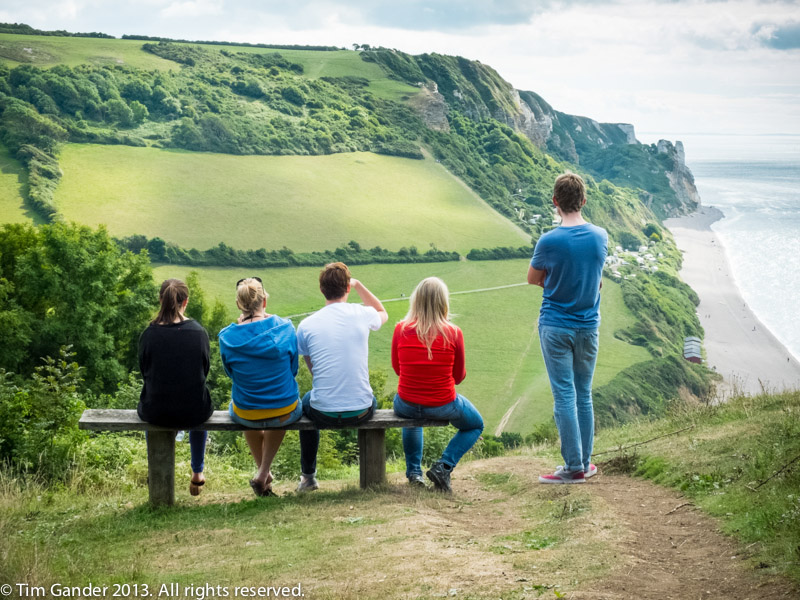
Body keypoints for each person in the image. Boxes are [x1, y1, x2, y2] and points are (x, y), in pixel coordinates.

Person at [528, 172, 608, 484]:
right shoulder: (600, 236)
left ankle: (573, 467)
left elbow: (533, 278)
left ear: (555, 202)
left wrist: (556, 280)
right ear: (584, 200)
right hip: (589, 326)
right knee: (583, 394)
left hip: (556, 325)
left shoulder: (549, 241)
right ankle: (585, 463)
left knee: (563, 394)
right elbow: (597, 278)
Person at [295, 262, 388, 492]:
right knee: (367, 398)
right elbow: (382, 312)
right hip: (362, 410)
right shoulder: (362, 313)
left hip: (322, 411)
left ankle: (308, 477)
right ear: (347, 288)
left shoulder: (306, 325)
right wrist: (358, 285)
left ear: (321, 289)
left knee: (306, 401)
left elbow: (313, 368)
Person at [392, 277, 484, 493]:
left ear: (416, 301)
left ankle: (414, 473)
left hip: (405, 402)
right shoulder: (454, 333)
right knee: (475, 425)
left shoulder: (401, 329)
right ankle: (444, 466)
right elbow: (459, 376)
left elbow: (398, 370)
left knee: (412, 420)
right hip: (443, 403)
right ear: (443, 302)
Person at [218, 277, 303, 497]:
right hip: (285, 410)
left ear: (239, 304)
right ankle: (264, 472)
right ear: (264, 301)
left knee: (244, 407)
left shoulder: (227, 337)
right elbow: (293, 369)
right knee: (281, 406)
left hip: (246, 412)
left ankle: (263, 473)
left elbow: (231, 374)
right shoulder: (284, 328)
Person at [138, 279, 213, 496]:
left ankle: (156, 470)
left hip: (156, 411)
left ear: (161, 300)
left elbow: (145, 371)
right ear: (186, 302)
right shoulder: (198, 333)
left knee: (154, 402)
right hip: (193, 411)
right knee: (199, 405)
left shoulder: (149, 334)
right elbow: (204, 369)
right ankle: (197, 471)